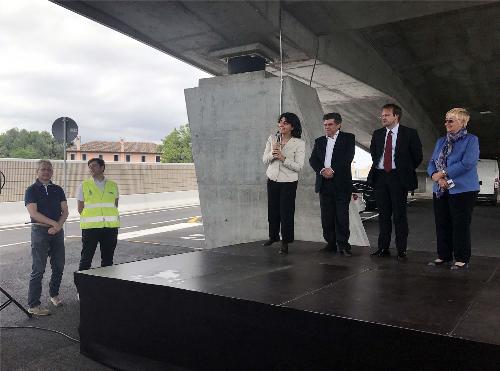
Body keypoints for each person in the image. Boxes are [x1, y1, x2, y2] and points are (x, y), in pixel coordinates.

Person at [368, 103, 423, 259]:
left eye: (386, 115)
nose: (383, 118)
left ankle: (401, 249)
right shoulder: (377, 133)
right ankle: (383, 248)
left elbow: (417, 156)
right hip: (380, 177)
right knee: (383, 215)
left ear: (396, 116)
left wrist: (403, 169)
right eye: (382, 115)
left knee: (399, 215)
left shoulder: (410, 133)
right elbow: (374, 153)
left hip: (399, 178)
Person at [427, 108, 479, 270]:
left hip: (464, 189)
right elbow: (431, 162)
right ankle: (444, 256)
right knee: (442, 223)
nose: (446, 123)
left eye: (451, 120)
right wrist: (436, 175)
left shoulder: (471, 140)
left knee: (460, 225)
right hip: (441, 188)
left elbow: (468, 163)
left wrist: (443, 173)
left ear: (462, 122)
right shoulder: (441, 141)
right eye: (446, 120)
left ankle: (462, 259)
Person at [24, 160, 68, 315]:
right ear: (37, 171)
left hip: (57, 232)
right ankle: (34, 305)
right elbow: (33, 213)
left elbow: (65, 211)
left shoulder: (58, 189)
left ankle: (53, 295)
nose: (46, 171)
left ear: (52, 172)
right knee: (38, 269)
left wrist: (58, 226)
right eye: (43, 169)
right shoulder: (31, 190)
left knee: (59, 265)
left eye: (49, 169)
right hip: (39, 232)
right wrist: (53, 224)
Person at [309, 113, 355, 255]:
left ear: (338, 125)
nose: (327, 127)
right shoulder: (319, 141)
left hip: (341, 183)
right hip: (324, 183)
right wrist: (323, 170)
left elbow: (348, 158)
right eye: (325, 125)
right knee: (327, 216)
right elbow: (313, 160)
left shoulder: (348, 138)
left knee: (341, 215)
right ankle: (330, 243)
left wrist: (332, 169)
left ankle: (343, 245)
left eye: (330, 124)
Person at [262, 112, 305, 254]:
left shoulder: (299, 143)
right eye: (280, 122)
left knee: (286, 212)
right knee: (272, 210)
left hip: (289, 182)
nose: (281, 125)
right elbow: (264, 160)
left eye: (285, 123)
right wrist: (272, 154)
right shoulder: (272, 138)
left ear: (292, 126)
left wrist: (283, 158)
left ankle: (285, 242)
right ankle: (273, 236)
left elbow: (299, 166)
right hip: (272, 179)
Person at [77, 158, 120, 270]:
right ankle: (83, 286)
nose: (91, 168)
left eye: (94, 166)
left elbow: (114, 204)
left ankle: (106, 285)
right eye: (90, 166)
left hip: (110, 228)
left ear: (102, 168)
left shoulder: (113, 185)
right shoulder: (84, 185)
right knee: (86, 259)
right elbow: (80, 208)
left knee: (108, 259)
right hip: (90, 229)